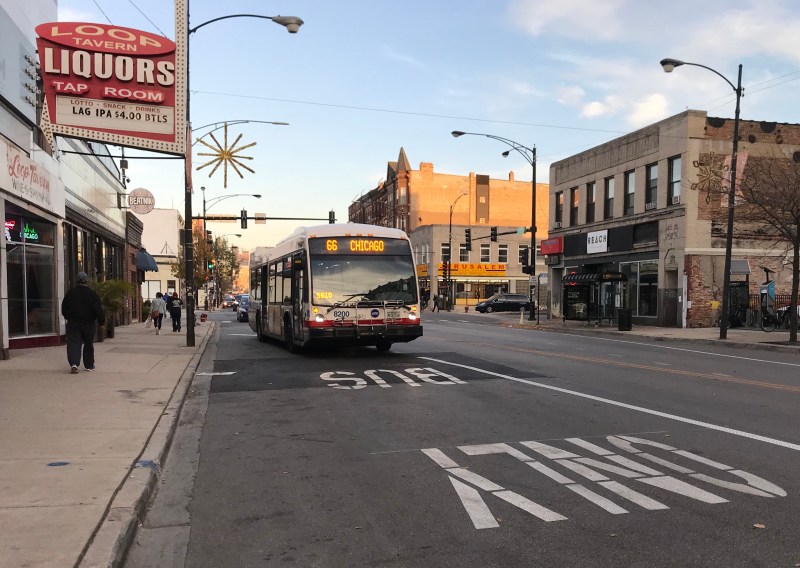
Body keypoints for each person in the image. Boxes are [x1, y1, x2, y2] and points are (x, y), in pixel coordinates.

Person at [61, 271, 105, 374]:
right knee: (88, 343)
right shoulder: (92, 294)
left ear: (77, 281)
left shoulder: (70, 294)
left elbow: (64, 308)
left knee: (73, 343)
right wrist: (101, 322)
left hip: (73, 322)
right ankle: (89, 365)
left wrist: (68, 316)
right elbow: (98, 309)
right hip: (89, 323)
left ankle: (74, 363)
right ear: (87, 281)